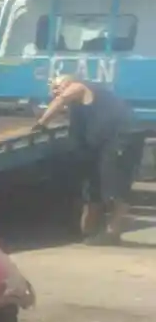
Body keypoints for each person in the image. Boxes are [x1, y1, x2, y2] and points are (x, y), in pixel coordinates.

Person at [34, 73, 142, 243]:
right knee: (93, 186)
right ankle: (88, 231)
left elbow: (61, 100)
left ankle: (113, 232)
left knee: (114, 187)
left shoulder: (79, 87)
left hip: (121, 138)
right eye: (52, 87)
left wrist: (41, 123)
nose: (54, 91)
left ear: (69, 83)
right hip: (99, 143)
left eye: (58, 86)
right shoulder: (77, 102)